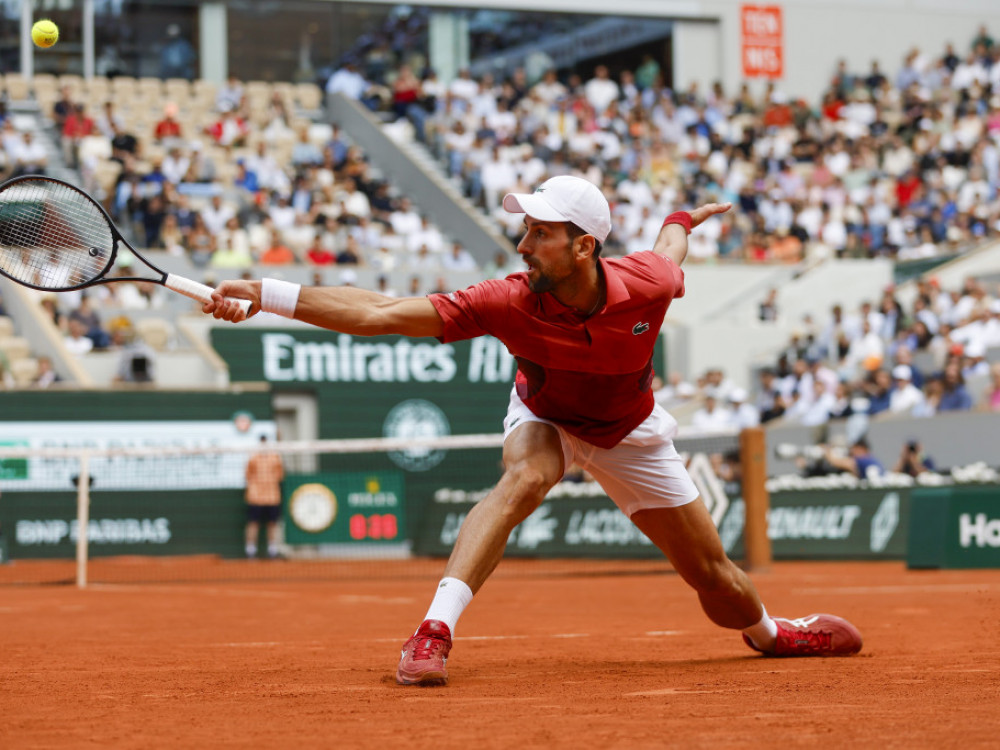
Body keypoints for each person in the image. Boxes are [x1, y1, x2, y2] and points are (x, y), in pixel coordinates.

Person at [206, 175, 863, 686]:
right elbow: (379, 312)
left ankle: (773, 634)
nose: (522, 246)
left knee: (716, 582)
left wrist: (683, 218)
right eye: (524, 230)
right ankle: (433, 630)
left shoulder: (650, 285)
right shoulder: (508, 298)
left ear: (584, 244)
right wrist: (264, 293)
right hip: (544, 415)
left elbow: (669, 250)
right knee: (525, 476)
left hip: (630, 431)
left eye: (539, 233)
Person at [243, 435, 285, 559]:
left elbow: (280, 475)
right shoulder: (253, 458)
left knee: (272, 523)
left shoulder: (275, 458)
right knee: (253, 523)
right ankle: (250, 550)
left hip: (272, 497)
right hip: (255, 497)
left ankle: (272, 550)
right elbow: (247, 475)